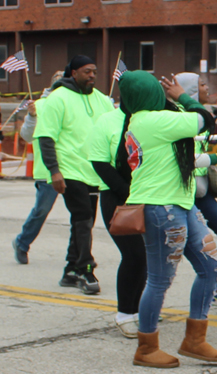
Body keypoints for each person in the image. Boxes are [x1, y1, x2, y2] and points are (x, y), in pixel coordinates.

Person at [118, 70, 217, 368]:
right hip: (161, 207)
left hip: (180, 203)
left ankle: (194, 339)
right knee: (159, 279)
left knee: (211, 266)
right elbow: (204, 119)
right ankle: (146, 348)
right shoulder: (150, 120)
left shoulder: (152, 122)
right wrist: (182, 95)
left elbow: (188, 159)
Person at [35, 55, 114, 294]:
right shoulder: (57, 98)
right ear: (74, 73)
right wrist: (54, 171)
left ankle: (70, 270)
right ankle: (85, 269)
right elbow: (46, 137)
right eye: (87, 71)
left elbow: (114, 130)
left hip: (94, 171)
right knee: (83, 217)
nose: (92, 76)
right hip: (68, 169)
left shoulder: (103, 100)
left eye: (94, 72)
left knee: (84, 221)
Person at [167, 72, 217, 308]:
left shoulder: (197, 113)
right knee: (168, 249)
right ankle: (142, 303)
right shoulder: (179, 116)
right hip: (180, 190)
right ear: (187, 90)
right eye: (200, 84)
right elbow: (188, 155)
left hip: (201, 191)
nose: (207, 87)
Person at [88, 101, 147, 338]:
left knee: (146, 257)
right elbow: (100, 162)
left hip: (147, 193)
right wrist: (127, 191)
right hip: (117, 194)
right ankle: (125, 314)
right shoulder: (107, 121)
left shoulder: (151, 118)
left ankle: (138, 309)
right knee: (133, 255)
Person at [12, 71, 63, 264]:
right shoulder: (39, 106)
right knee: (42, 210)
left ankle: (77, 258)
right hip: (48, 170)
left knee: (81, 216)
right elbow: (27, 136)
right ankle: (22, 243)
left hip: (74, 168)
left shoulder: (73, 104)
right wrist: (32, 117)